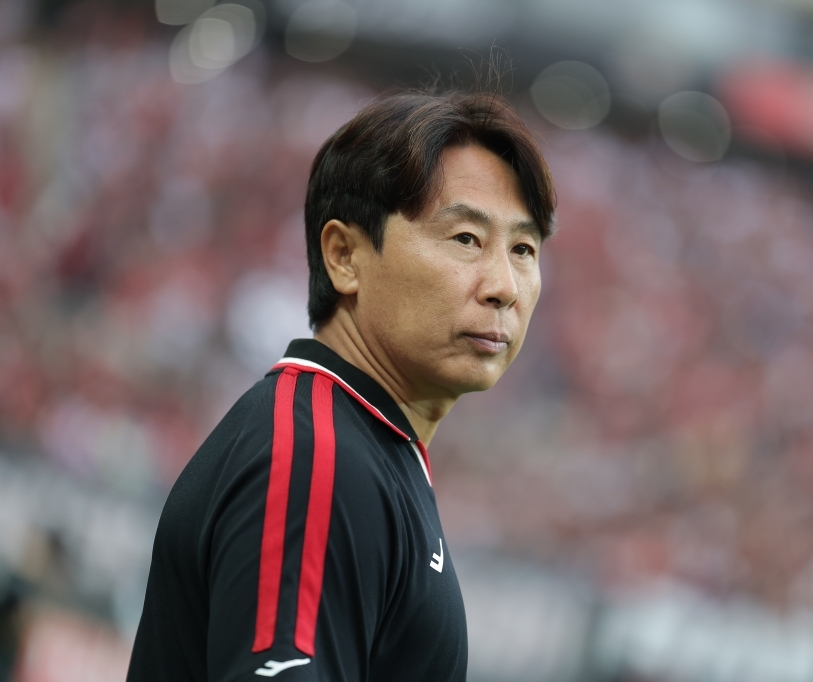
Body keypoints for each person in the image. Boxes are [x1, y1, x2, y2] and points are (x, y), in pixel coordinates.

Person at [126, 90, 555, 682]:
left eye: (524, 249)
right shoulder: (318, 458)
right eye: (466, 239)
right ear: (344, 256)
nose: (504, 286)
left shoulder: (360, 448)